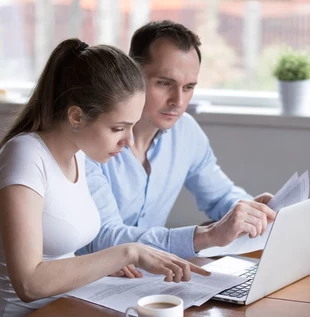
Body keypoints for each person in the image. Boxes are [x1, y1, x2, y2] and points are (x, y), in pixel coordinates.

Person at [0, 38, 209, 317]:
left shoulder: (79, 154)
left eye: (132, 126)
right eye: (118, 128)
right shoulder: (25, 156)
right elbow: (29, 283)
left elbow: (60, 253)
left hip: (70, 304)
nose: (128, 141)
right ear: (77, 117)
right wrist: (125, 254)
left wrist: (101, 266)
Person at [81, 20, 276, 276]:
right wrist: (205, 236)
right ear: (133, 74)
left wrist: (249, 211)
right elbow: (103, 237)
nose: (178, 101)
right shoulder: (91, 138)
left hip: (151, 281)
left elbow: (219, 196)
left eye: (189, 87)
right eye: (164, 83)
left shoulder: (186, 131)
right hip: (88, 284)